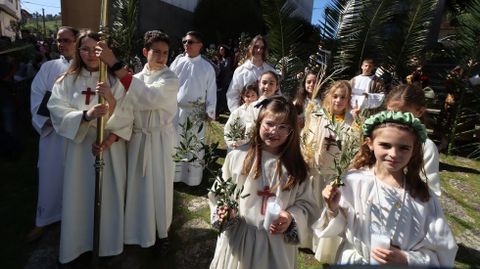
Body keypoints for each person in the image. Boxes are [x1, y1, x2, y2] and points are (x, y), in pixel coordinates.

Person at [314, 111, 458, 266]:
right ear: (370, 143)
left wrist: (407, 258)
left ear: (414, 149)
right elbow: (342, 228)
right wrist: (332, 208)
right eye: (385, 145)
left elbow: (441, 249)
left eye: (403, 148)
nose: (394, 154)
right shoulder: (354, 181)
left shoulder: (422, 196)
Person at [47, 30, 131, 264]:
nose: (90, 54)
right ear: (77, 51)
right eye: (84, 48)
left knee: (108, 196)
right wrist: (86, 115)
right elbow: (56, 109)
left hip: (108, 149)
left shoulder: (113, 80)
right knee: (79, 195)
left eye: (96, 49)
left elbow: (128, 114)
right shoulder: (66, 80)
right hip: (79, 148)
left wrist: (111, 104)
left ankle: (107, 245)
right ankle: (78, 245)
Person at [209, 96, 319, 269]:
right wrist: (223, 210)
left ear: (291, 131)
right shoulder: (238, 157)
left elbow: (307, 206)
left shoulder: (296, 168)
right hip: (239, 238)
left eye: (283, 127)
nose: (275, 131)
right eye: (269, 124)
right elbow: (219, 192)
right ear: (259, 122)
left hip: (276, 244)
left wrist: (291, 217)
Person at [100, 30, 179, 249]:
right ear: (145, 52)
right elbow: (126, 111)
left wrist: (114, 64)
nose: (161, 57)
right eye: (156, 52)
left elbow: (149, 98)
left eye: (165, 53)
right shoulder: (135, 79)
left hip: (160, 139)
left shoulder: (170, 78)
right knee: (139, 186)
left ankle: (161, 232)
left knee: (160, 185)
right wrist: (111, 137)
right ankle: (139, 232)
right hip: (137, 139)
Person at [28, 26, 78, 242]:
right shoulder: (48, 68)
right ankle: (45, 219)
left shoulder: (89, 69)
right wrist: (47, 119)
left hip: (78, 136)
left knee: (78, 178)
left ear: (76, 41)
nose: (61, 44)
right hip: (53, 135)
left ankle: (78, 219)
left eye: (66, 40)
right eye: (58, 40)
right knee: (51, 177)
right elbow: (37, 96)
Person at [170, 30, 217, 186]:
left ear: (200, 45)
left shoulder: (206, 67)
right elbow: (169, 85)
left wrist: (210, 111)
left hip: (197, 113)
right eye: (185, 42)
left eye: (190, 42)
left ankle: (192, 178)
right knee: (177, 142)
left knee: (194, 144)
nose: (186, 45)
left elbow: (211, 90)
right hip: (177, 110)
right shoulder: (177, 63)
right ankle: (175, 176)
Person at [385, 84, 441, 196]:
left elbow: (430, 191)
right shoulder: (379, 139)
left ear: (420, 112)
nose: (396, 118)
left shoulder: (426, 147)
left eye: (404, 114)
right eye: (391, 113)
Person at [226, 35, 275, 112]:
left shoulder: (271, 71)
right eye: (256, 47)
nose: (259, 50)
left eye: (262, 48)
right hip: (246, 114)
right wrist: (237, 115)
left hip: (266, 115)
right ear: (251, 47)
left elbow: (277, 93)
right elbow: (233, 95)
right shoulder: (240, 71)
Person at [223, 83, 258, 149]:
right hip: (239, 145)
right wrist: (231, 142)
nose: (250, 99)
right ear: (243, 97)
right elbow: (228, 128)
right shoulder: (237, 112)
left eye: (253, 95)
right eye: (247, 96)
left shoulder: (260, 110)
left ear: (257, 96)